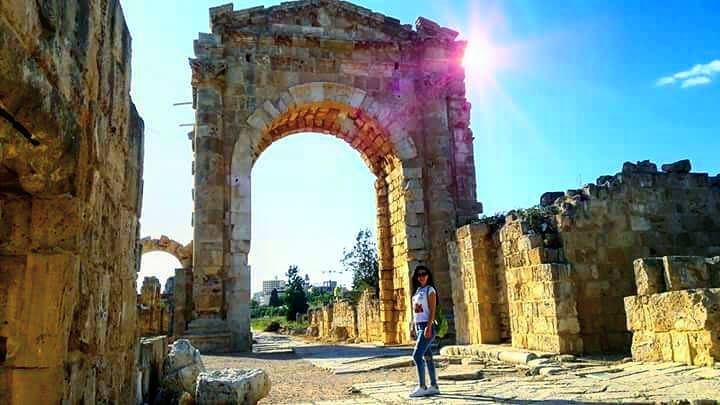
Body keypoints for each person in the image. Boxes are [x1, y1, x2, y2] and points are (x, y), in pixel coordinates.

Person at [408, 265, 440, 397]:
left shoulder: (430, 290)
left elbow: (432, 310)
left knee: (416, 355)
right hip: (418, 326)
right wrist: (412, 326)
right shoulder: (416, 292)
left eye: (424, 274)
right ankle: (434, 386)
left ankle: (422, 386)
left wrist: (428, 326)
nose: (421, 277)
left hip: (427, 326)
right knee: (427, 356)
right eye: (419, 275)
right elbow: (415, 312)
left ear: (428, 275)